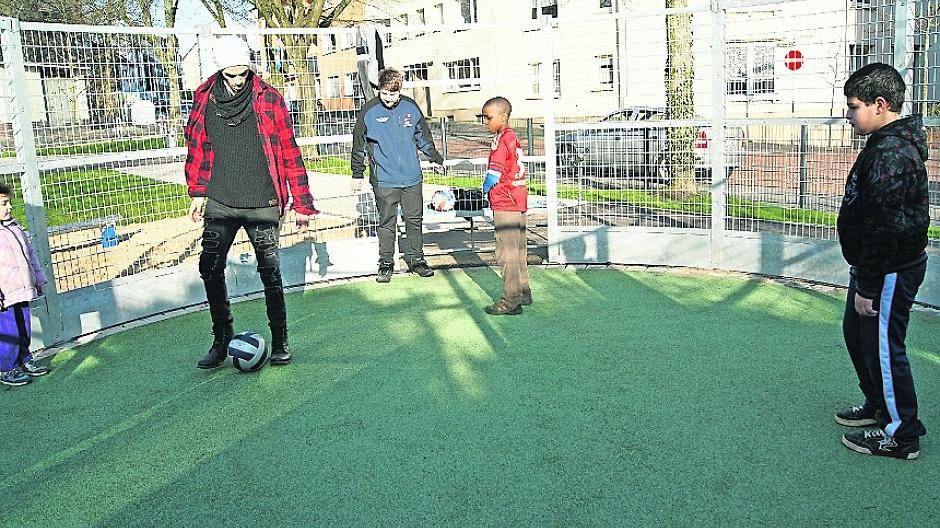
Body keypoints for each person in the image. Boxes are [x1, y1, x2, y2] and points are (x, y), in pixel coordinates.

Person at [184, 36, 318, 370]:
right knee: (209, 266)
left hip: (263, 201)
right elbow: (198, 147)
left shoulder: (270, 98)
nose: (239, 80)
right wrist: (198, 192)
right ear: (220, 70)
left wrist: (302, 202)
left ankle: (280, 341)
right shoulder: (203, 98)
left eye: (244, 72)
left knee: (270, 272)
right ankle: (221, 339)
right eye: (231, 74)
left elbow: (289, 150)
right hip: (221, 200)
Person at [835, 63, 930, 460]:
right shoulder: (883, 144)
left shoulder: (892, 152)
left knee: (884, 348)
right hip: (874, 267)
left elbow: (885, 226)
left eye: (853, 106)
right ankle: (878, 404)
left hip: (890, 270)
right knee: (857, 335)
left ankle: (902, 435)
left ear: (880, 104)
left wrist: (869, 285)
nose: (848, 115)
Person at [350, 68, 444, 283]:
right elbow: (358, 145)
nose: (388, 98)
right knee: (386, 222)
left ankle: (417, 260)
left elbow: (423, 137)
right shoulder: (369, 111)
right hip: (384, 180)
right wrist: (357, 174)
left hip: (412, 178)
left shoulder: (411, 107)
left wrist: (435, 158)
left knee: (414, 220)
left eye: (393, 94)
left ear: (399, 90)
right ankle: (385, 264)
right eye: (384, 93)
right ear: (379, 89)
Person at [480, 97, 531, 315]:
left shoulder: (501, 140)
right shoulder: (513, 137)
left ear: (503, 116)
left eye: (488, 117)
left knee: (506, 253)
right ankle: (524, 292)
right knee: (519, 251)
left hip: (505, 202)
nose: (485, 122)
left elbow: (494, 174)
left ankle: (510, 301)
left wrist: (483, 190)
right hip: (518, 200)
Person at [0, 183, 51, 386]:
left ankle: (24, 359)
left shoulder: (15, 227)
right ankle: (7, 368)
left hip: (21, 288)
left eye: (9, 202)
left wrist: (38, 278)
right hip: (4, 295)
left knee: (24, 327)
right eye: (4, 203)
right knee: (8, 331)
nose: (10, 207)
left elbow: (30, 255)